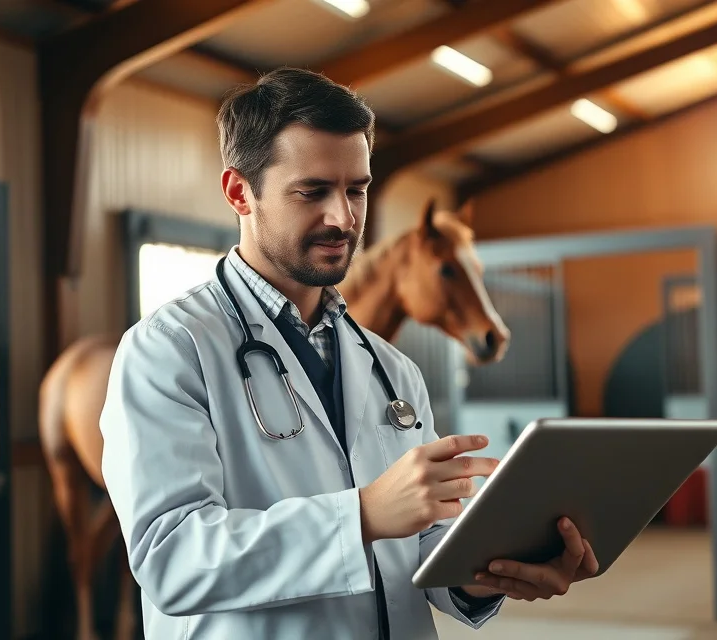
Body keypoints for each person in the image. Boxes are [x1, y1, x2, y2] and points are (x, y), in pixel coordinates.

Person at [98, 67, 599, 640]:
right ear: (240, 192)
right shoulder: (168, 352)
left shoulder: (393, 370)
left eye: (356, 190)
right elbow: (173, 562)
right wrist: (360, 516)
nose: (344, 218)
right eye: (312, 192)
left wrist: (498, 571)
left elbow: (424, 551)